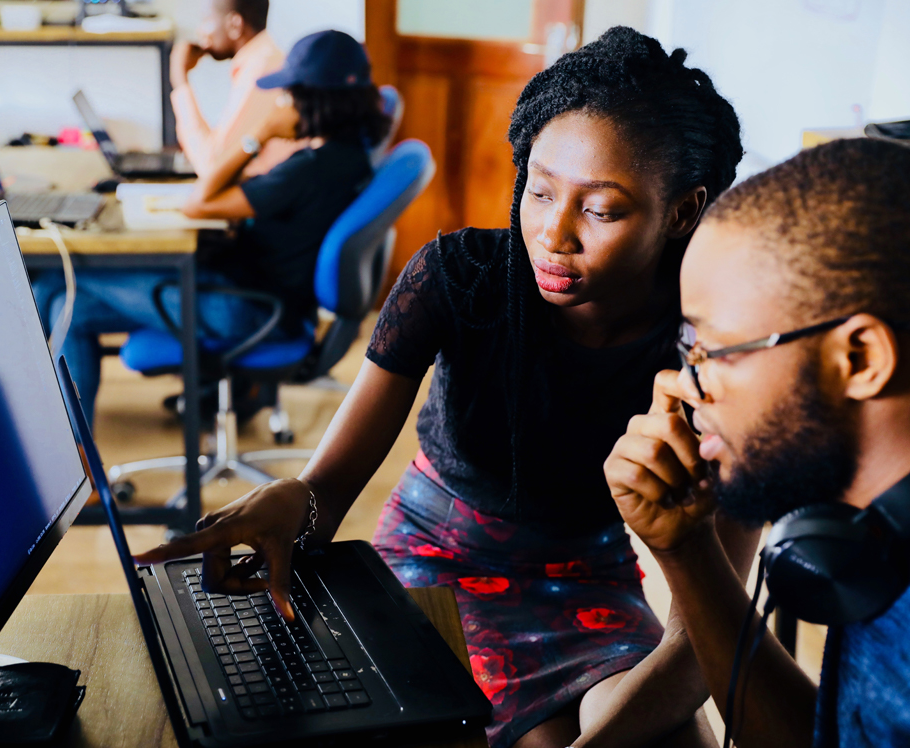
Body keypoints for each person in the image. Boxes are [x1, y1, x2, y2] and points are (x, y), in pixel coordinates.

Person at [138, 27, 753, 748]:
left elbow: (704, 642)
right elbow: (328, 488)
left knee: (674, 740)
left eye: (600, 209)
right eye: (540, 189)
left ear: (682, 211)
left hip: (586, 584)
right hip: (432, 563)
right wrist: (293, 503)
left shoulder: (717, 352)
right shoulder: (458, 279)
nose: (553, 233)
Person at [604, 138, 910, 748]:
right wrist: (687, 551)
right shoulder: (867, 537)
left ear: (859, 358)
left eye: (712, 351)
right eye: (685, 347)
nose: (680, 384)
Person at [34, 30, 389, 428]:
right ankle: (79, 456)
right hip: (261, 297)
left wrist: (259, 135)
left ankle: (72, 455)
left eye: (287, 93)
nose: (280, 102)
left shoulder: (309, 170)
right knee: (67, 304)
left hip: (246, 308)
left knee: (53, 287)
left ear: (313, 100)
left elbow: (199, 202)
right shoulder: (350, 157)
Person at [171, 0, 303, 177]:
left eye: (206, 20)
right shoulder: (262, 60)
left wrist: (180, 80)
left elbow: (212, 167)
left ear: (235, 25)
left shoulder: (260, 72)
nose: (200, 31)